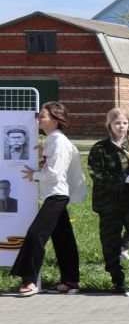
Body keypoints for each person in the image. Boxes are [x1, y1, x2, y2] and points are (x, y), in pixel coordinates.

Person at [10, 102, 80, 295]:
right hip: (54, 194)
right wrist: (42, 158)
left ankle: (29, 280)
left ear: (55, 120)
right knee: (63, 240)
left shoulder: (58, 140)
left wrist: (36, 174)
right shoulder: (52, 139)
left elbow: (55, 172)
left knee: (35, 234)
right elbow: (53, 164)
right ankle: (70, 281)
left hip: (56, 195)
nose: (39, 118)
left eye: (43, 116)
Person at [86, 107, 129, 294]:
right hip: (108, 203)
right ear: (109, 125)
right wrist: (123, 179)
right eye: (117, 123)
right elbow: (97, 175)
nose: (121, 127)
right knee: (110, 243)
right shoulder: (100, 148)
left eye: (125, 123)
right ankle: (117, 280)